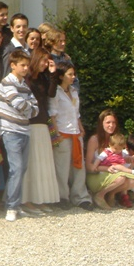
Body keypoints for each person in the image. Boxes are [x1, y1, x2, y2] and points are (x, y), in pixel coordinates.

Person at [0, 50, 39, 221]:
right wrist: (27, 107)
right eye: (22, 65)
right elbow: (19, 104)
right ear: (13, 65)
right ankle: (12, 207)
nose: (25, 68)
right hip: (10, 130)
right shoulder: (7, 83)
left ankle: (12, 202)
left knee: (21, 169)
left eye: (27, 65)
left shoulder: (25, 85)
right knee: (16, 168)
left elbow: (36, 109)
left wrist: (27, 107)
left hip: (24, 130)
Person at [48, 61, 92, 210]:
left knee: (79, 167)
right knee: (62, 167)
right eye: (70, 74)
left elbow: (76, 112)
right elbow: (52, 114)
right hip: (63, 133)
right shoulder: (55, 92)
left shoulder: (73, 91)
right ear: (61, 76)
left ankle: (81, 197)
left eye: (74, 74)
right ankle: (62, 197)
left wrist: (80, 127)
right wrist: (56, 134)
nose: (73, 77)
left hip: (75, 132)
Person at [21, 48, 60, 214]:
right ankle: (28, 200)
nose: (45, 64)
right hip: (30, 123)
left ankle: (40, 198)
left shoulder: (44, 78)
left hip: (43, 122)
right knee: (32, 162)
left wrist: (53, 74)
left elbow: (51, 94)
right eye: (43, 61)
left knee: (42, 162)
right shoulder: (27, 79)